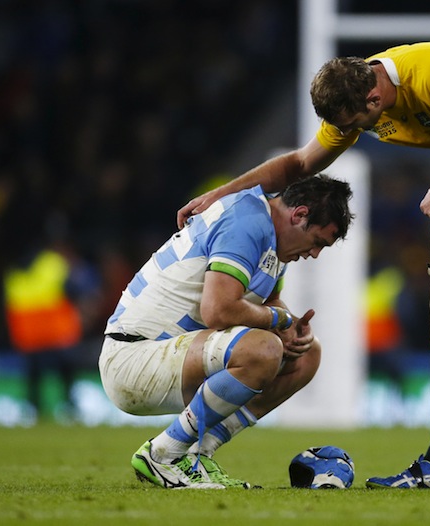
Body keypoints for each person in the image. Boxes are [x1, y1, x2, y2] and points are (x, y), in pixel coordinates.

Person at [177, 41, 430, 489]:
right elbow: (300, 164)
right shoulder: (354, 99)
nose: (351, 132)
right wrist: (218, 196)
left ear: (375, 99)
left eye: (356, 124)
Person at [100, 174, 354, 489]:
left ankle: (196, 453)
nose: (314, 254)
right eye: (318, 242)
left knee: (306, 354)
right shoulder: (247, 222)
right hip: (132, 357)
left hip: (177, 354)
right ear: (299, 215)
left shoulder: (271, 234)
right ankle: (163, 454)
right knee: (263, 349)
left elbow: (267, 302)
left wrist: (291, 327)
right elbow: (218, 310)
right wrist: (280, 321)